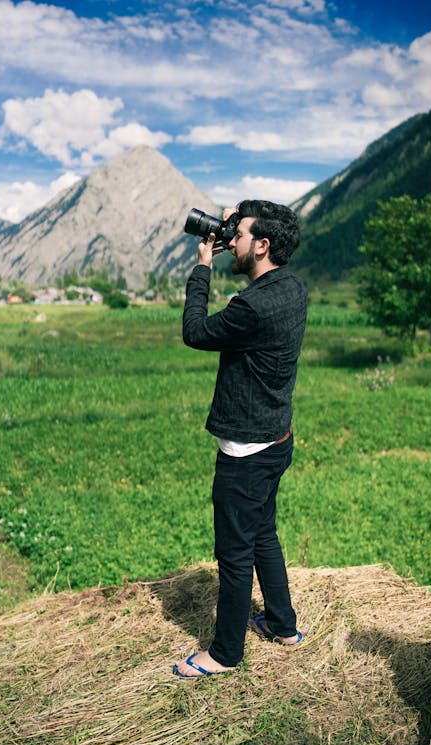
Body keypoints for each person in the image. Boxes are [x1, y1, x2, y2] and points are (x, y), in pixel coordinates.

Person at [173, 200, 307, 679]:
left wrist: (202, 264)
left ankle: (225, 654)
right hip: (277, 438)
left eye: (240, 235)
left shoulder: (250, 305)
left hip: (245, 452)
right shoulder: (290, 286)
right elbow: (253, 301)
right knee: (263, 533)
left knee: (234, 553)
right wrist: (241, 214)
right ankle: (283, 626)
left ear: (264, 245)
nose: (232, 240)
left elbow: (194, 331)